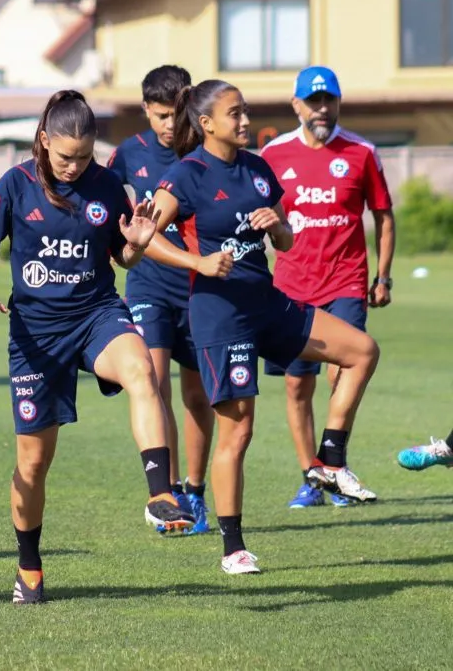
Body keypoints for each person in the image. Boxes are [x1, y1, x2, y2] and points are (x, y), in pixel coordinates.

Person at [0, 89, 195, 605]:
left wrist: (134, 242)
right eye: (65, 156)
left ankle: (161, 492)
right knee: (33, 463)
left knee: (142, 370)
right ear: (43, 141)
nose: (73, 166)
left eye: (84, 157)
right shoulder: (15, 185)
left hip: (95, 314)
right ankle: (29, 568)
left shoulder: (108, 186)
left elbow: (124, 261)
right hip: (36, 337)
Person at [145, 79, 380, 574]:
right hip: (220, 317)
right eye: (235, 114)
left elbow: (288, 243)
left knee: (362, 350)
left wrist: (276, 225)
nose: (246, 121)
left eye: (246, 111)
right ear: (206, 124)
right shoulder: (188, 175)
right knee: (239, 431)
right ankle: (233, 549)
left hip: (269, 304)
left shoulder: (258, 168)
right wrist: (199, 262)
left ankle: (329, 461)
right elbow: (146, 238)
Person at [260, 66, 394, 508]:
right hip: (293, 285)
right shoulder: (273, 154)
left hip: (347, 280)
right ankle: (310, 477)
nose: (322, 109)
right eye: (313, 101)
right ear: (295, 105)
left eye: (329, 100)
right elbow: (257, 214)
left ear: (338, 103)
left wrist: (383, 276)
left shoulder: (361, 152)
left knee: (344, 369)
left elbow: (383, 214)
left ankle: (334, 462)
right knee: (298, 386)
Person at [107, 64, 214, 533]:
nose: (170, 126)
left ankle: (195, 489)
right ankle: (167, 495)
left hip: (200, 286)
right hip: (148, 285)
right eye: (160, 116)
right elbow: (108, 212)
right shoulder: (128, 155)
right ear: (147, 110)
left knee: (197, 395)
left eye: (176, 114)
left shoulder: (206, 151)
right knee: (153, 383)